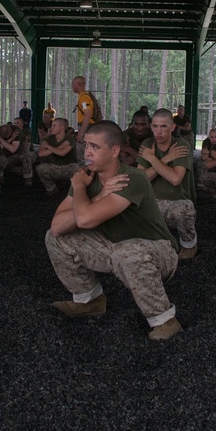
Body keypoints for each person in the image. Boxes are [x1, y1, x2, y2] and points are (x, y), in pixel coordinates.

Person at [45, 120, 181, 341]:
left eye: (95, 147)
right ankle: (90, 301)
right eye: (87, 145)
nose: (87, 152)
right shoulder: (85, 177)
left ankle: (165, 319)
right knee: (55, 238)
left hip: (158, 253)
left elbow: (86, 219)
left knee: (127, 252)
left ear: (115, 150)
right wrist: (95, 194)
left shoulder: (130, 178)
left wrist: (80, 190)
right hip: (115, 247)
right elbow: (57, 227)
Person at [137, 108, 198, 259]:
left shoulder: (181, 145)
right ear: (151, 127)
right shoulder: (148, 143)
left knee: (184, 211)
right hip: (152, 201)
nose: (159, 131)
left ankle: (189, 243)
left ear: (172, 127)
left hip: (177, 200)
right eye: (155, 126)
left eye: (163, 126)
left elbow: (175, 179)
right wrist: (165, 160)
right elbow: (141, 180)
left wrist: (151, 159)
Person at [36, 118, 79, 196]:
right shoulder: (49, 138)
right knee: (40, 168)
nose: (51, 128)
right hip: (55, 167)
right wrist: (59, 147)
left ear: (62, 127)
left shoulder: (69, 139)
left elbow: (62, 153)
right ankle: (51, 189)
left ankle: (75, 191)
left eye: (54, 126)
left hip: (69, 167)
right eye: (52, 125)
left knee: (77, 169)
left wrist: (49, 147)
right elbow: (40, 153)